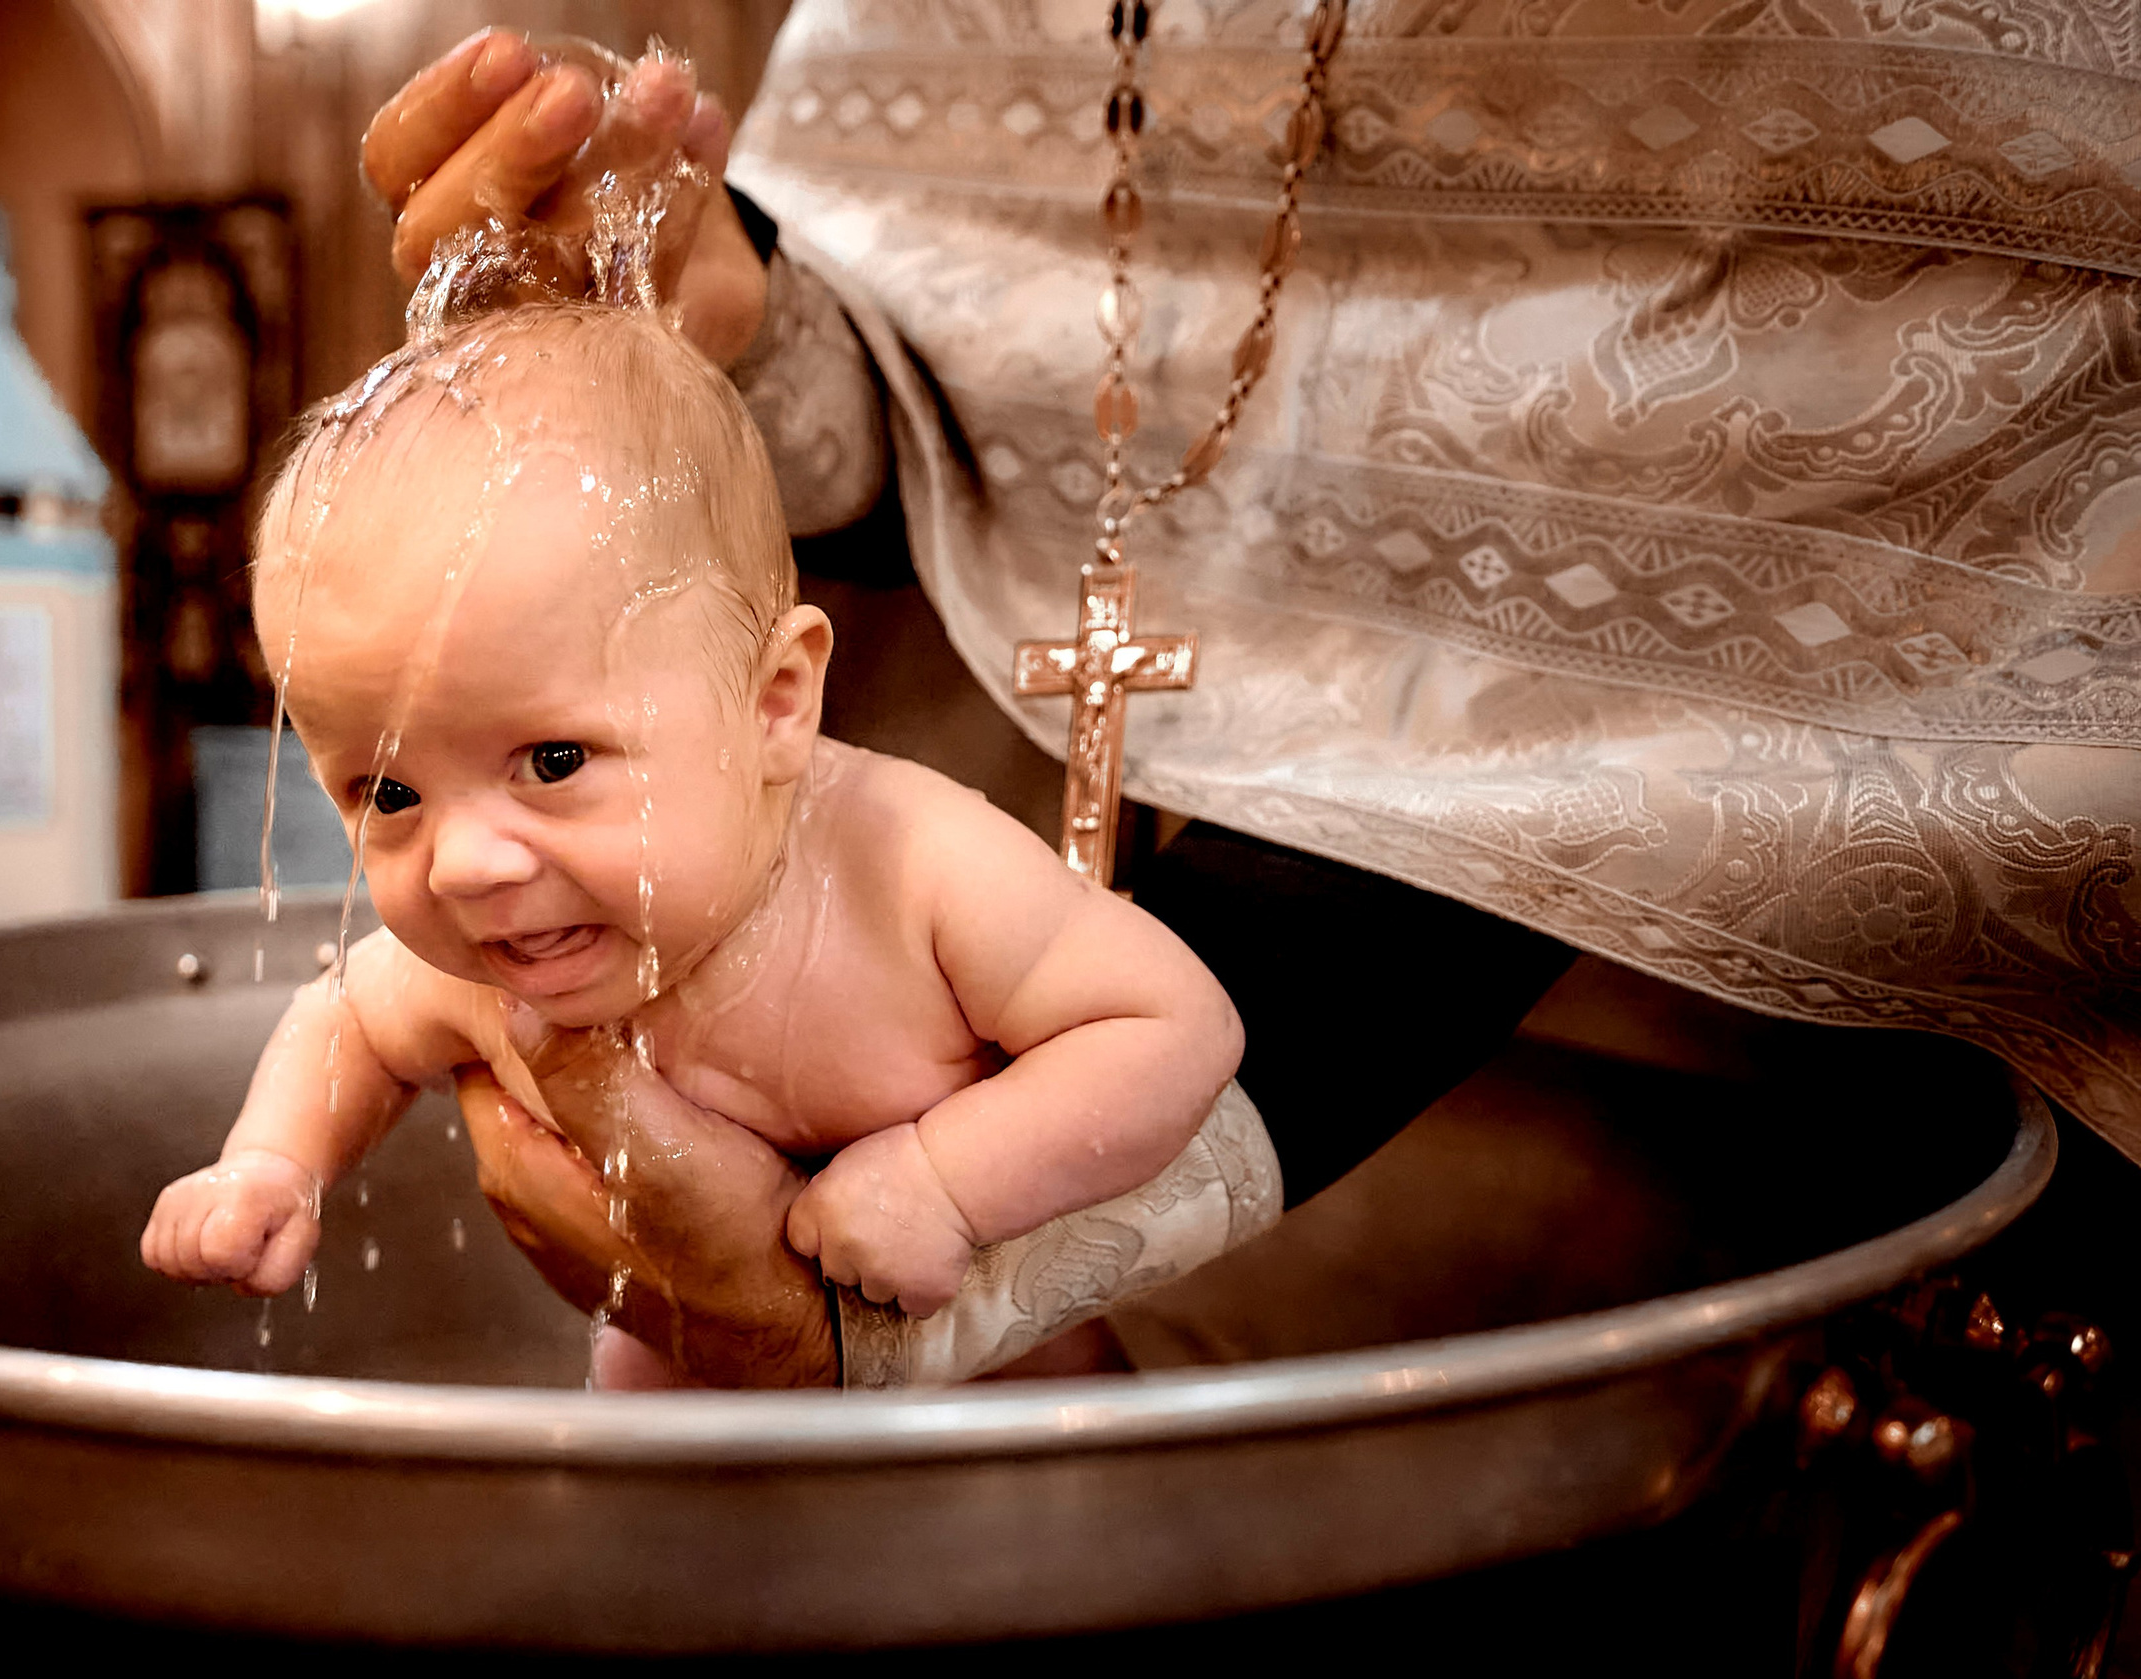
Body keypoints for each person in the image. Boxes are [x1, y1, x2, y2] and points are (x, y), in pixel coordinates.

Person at [354, 6, 2141, 1387]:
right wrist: (735, 320)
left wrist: (943, 1244)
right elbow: (955, 403)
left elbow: (1841, 503)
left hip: (1800, 1129)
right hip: (1093, 1089)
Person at [138, 301, 1280, 1388]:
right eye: (388, 791)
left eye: (552, 762)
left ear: (775, 703)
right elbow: (348, 1021)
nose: (462, 866)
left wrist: (945, 1183)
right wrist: (272, 1162)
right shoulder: (493, 950)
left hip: (1003, 1414)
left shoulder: (912, 869)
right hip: (692, 1422)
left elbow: (1173, 1028)